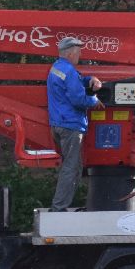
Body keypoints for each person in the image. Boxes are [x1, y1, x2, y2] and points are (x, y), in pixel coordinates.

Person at [47, 36, 103, 211]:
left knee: (75, 167)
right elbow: (78, 98)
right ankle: (58, 207)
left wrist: (90, 79)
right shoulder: (69, 71)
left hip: (59, 124)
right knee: (71, 167)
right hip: (71, 126)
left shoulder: (58, 68)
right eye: (78, 52)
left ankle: (61, 205)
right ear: (71, 53)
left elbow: (74, 83)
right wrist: (95, 100)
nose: (80, 55)